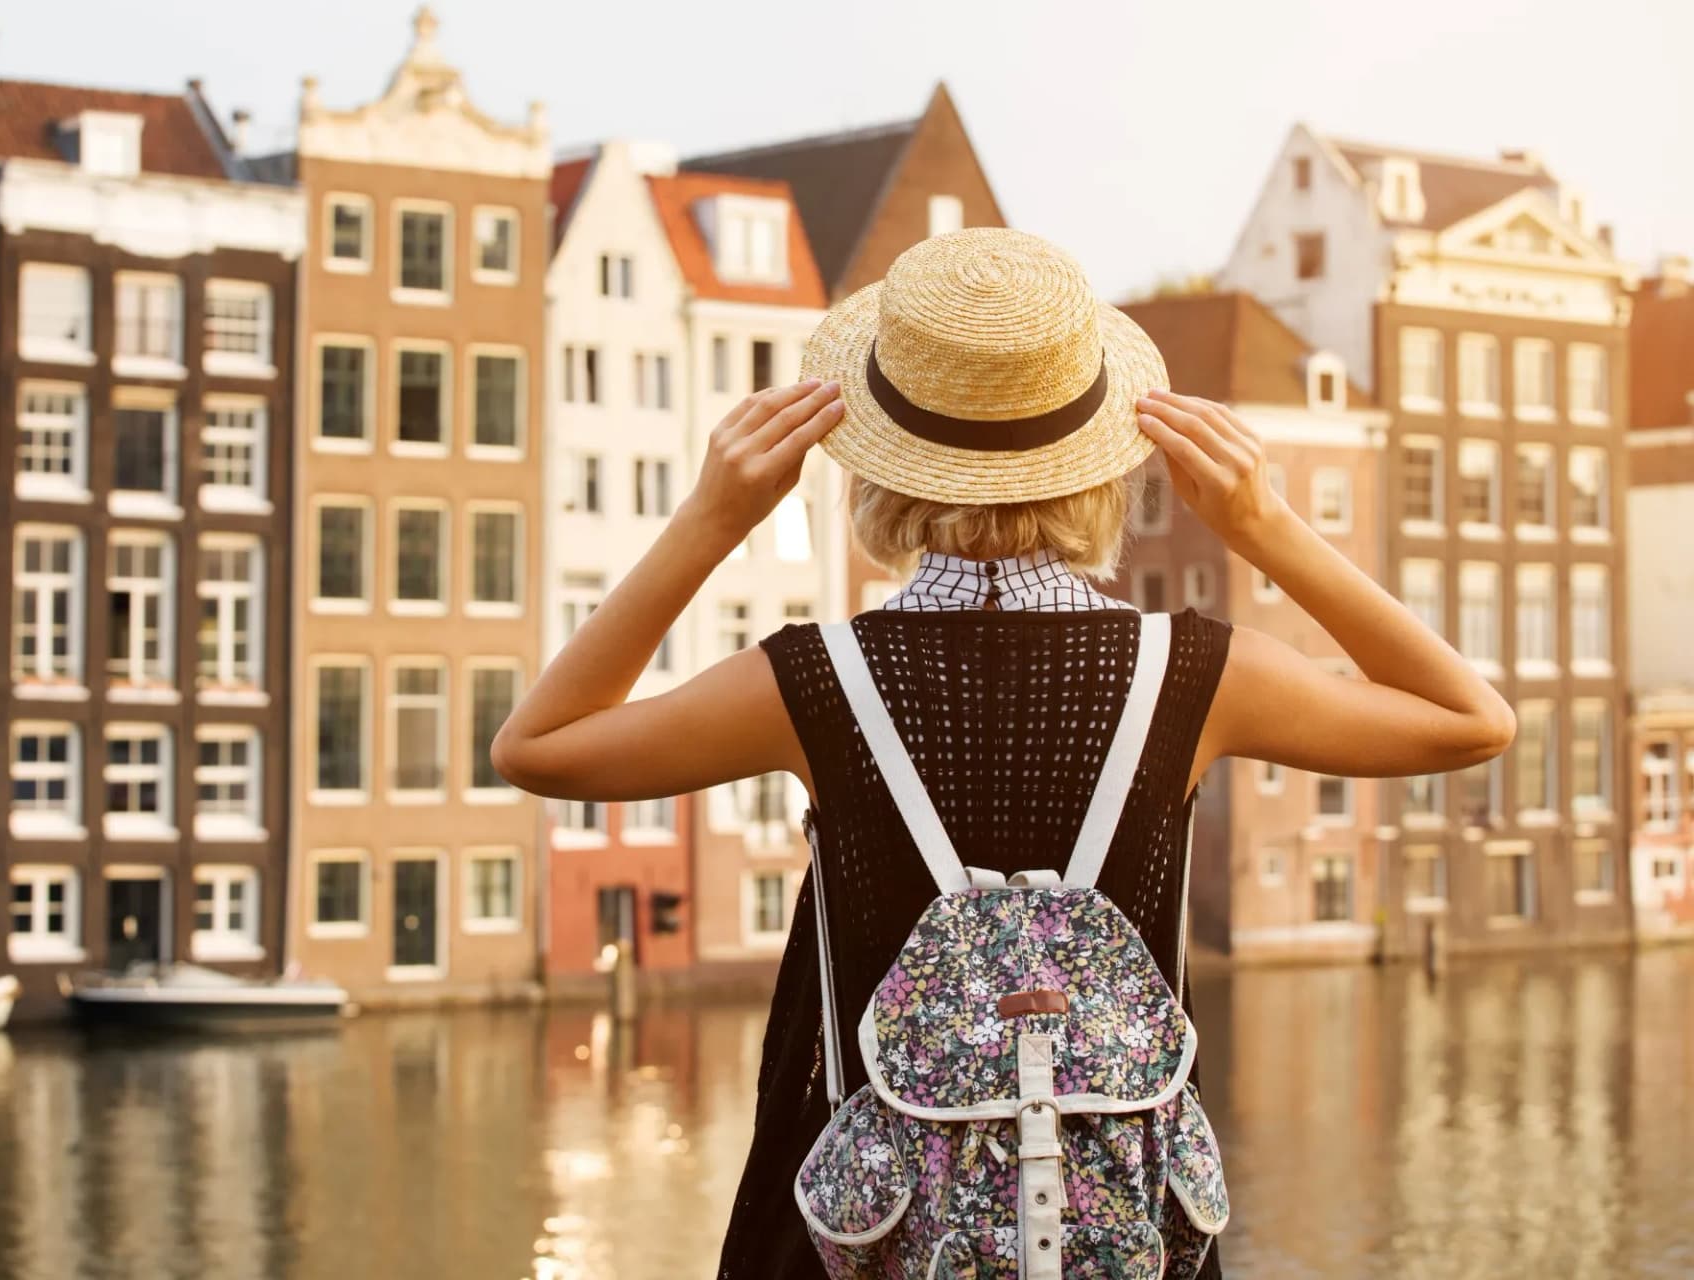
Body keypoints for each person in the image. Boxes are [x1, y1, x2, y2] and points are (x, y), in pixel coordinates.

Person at [492, 228, 1515, 1278]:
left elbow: (539, 745)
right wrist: (1266, 528)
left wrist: (714, 519)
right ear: (1098, 463)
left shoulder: (815, 682)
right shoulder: (1195, 674)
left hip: (875, 1241)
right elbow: (1471, 718)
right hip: (1118, 1238)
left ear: (877, 465)